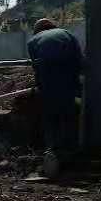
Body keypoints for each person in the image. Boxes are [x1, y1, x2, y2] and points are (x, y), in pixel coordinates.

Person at [27, 17, 83, 178]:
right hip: (69, 79)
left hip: (50, 81)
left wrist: (40, 87)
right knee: (70, 115)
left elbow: (36, 68)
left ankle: (52, 152)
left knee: (51, 117)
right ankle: (72, 154)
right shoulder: (67, 33)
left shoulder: (33, 41)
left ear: (37, 30)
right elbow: (79, 59)